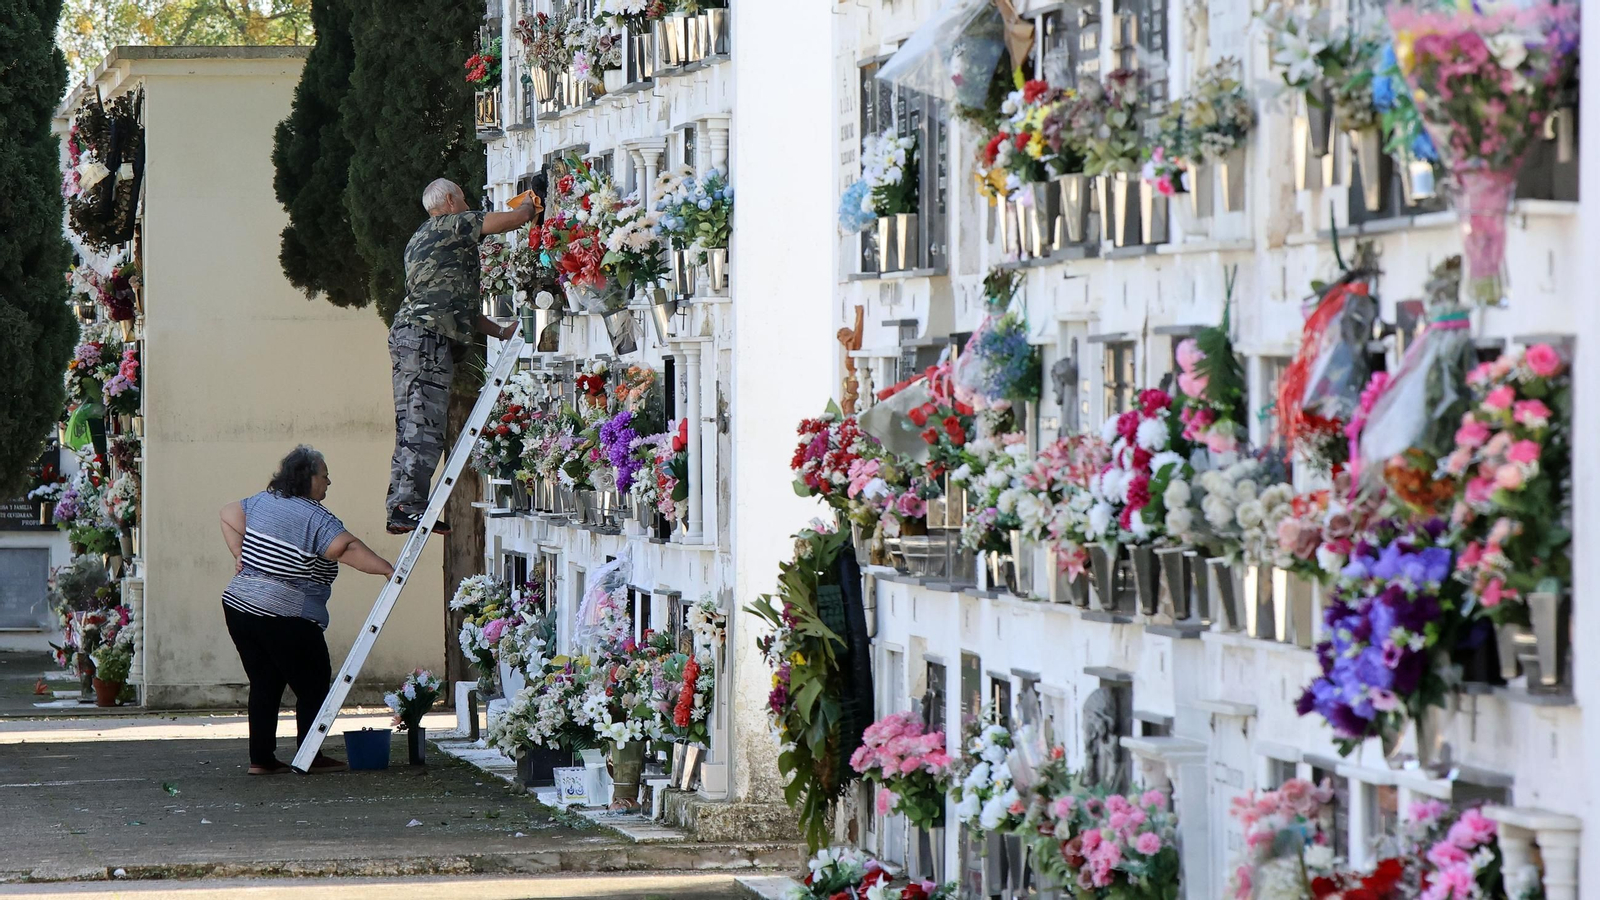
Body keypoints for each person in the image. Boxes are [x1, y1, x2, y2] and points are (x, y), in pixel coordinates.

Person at [219, 446, 396, 775]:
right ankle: (309, 753)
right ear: (307, 478)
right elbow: (346, 548)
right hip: (284, 613)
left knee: (264, 682)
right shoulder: (316, 519)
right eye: (324, 475)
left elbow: (228, 514)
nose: (329, 481)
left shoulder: (261, 502)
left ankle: (261, 759)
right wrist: (387, 569)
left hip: (239, 606)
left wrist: (239, 555)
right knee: (314, 682)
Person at [386, 178, 540, 535]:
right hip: (425, 339)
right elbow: (505, 222)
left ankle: (401, 503)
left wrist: (501, 332)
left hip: (416, 336)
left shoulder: (425, 239)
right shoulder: (450, 224)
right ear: (451, 201)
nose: (469, 205)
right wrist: (530, 206)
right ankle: (407, 504)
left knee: (412, 421)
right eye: (465, 199)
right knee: (423, 422)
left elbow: (457, 305)